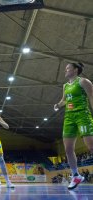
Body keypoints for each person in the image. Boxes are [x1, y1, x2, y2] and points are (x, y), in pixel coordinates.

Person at [54, 62, 93, 190]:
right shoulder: (65, 85)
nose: (65, 70)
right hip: (69, 117)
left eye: (68, 68)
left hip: (83, 115)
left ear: (75, 70)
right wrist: (58, 105)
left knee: (90, 145)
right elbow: (64, 100)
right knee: (68, 149)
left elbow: (92, 98)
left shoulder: (83, 82)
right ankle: (76, 175)